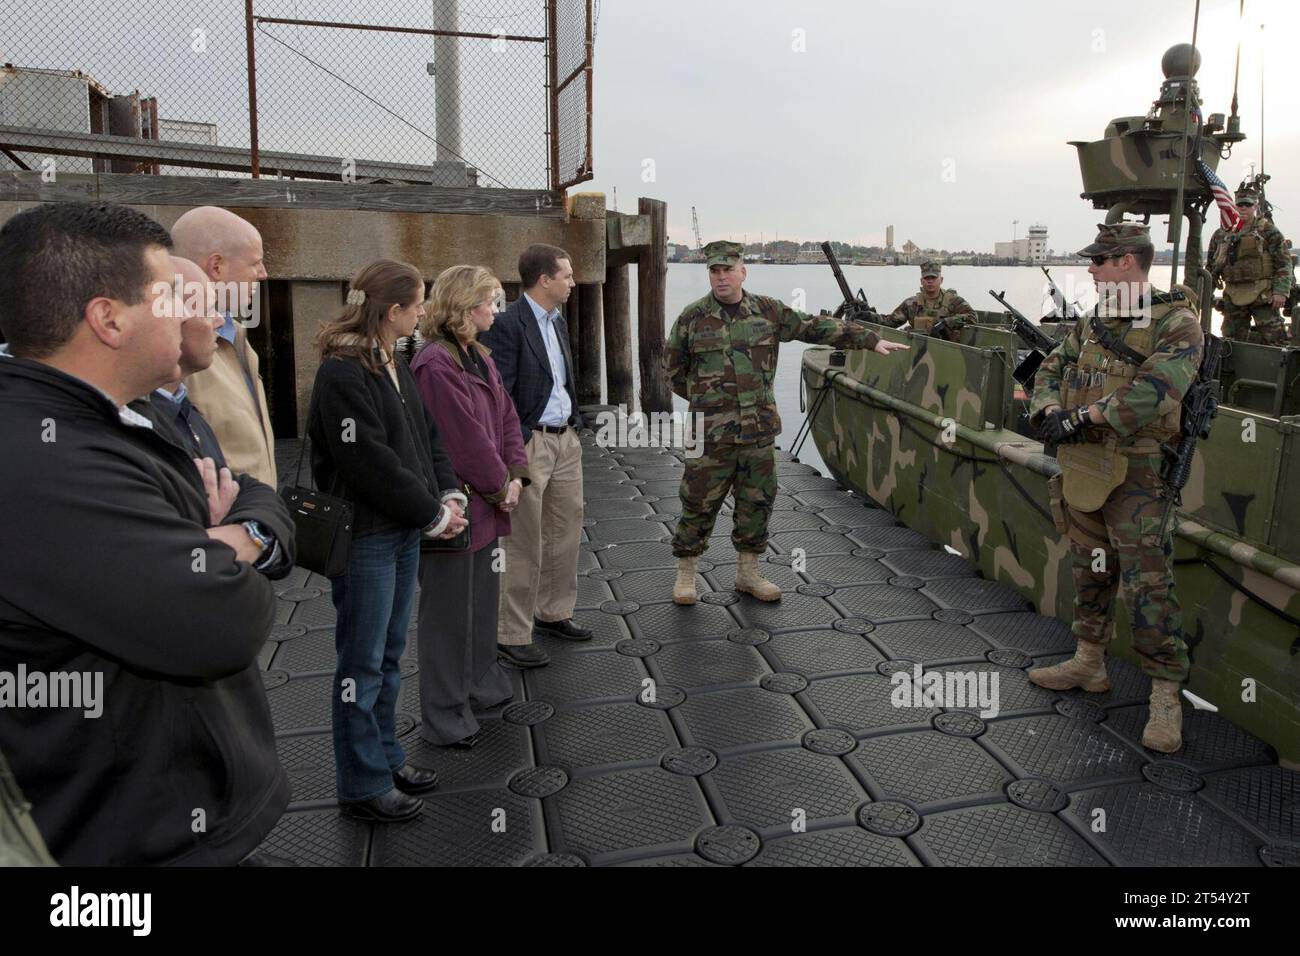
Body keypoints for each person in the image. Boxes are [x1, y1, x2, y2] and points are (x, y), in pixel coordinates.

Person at [0, 201, 288, 864]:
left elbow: (253, 496)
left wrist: (230, 539)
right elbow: (225, 618)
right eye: (168, 295)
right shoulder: (44, 464)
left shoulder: (125, 416)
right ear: (109, 318)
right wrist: (218, 547)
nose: (195, 311)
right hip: (126, 842)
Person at [1027, 223, 1203, 753]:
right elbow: (1052, 366)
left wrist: (1082, 417)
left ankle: (1166, 698)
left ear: (1127, 261)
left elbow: (1158, 389)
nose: (1091, 269)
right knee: (1090, 567)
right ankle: (1089, 663)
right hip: (1085, 468)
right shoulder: (1095, 319)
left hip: (1138, 472)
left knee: (1149, 584)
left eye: (1099, 260)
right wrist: (1049, 409)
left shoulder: (1178, 322)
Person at [663, 240, 910, 604]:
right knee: (697, 502)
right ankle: (686, 576)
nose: (721, 277)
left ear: (742, 271)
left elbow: (814, 327)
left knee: (757, 501)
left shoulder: (768, 311)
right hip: (711, 435)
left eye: (727, 269)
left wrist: (870, 340)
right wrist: (708, 403)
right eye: (714, 271)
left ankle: (748, 573)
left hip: (758, 433)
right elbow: (673, 373)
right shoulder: (691, 318)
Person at [309, 258, 467, 822]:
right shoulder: (343, 373)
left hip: (401, 532)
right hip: (369, 541)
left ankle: (386, 757)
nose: (424, 312)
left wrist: (449, 495)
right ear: (392, 311)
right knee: (361, 663)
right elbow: (367, 463)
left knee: (390, 656)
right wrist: (431, 514)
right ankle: (361, 783)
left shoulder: (392, 362)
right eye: (418, 303)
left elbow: (427, 439)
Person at [411, 265, 529, 747]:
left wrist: (516, 474)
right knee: (446, 617)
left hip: (488, 504)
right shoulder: (435, 365)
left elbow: (505, 417)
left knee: (481, 607)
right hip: (457, 508)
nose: (495, 310)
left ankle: (481, 683)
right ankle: (444, 714)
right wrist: (501, 484)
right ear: (464, 307)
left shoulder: (478, 355)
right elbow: (462, 439)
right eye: (490, 301)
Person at [132, 255, 293, 578]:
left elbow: (247, 485)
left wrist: (250, 530)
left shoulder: (183, 407)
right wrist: (225, 535)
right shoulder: (136, 423)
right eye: (208, 309)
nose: (219, 321)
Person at [479, 244, 591, 669]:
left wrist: (575, 422)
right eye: (566, 275)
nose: (573, 281)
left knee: (565, 529)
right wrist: (517, 445)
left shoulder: (557, 321)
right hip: (530, 442)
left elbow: (562, 380)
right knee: (522, 538)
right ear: (545, 280)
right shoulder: (506, 325)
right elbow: (499, 393)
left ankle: (554, 611)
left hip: (565, 440)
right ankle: (511, 633)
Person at [171, 206, 278, 485]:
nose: (263, 274)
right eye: (255, 262)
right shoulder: (177, 352)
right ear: (216, 266)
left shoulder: (237, 334)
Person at [1206, 186, 1292, 346]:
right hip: (1233, 295)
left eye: (1248, 204)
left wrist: (1281, 291)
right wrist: (1206, 295)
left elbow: (1284, 263)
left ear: (1255, 206)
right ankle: (1229, 371)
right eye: (1240, 204)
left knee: (1276, 340)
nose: (1243, 208)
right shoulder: (1222, 234)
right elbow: (1211, 267)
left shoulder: (1268, 231)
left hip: (1262, 296)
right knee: (1229, 342)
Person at [881, 259, 976, 341]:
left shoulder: (954, 301)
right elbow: (890, 322)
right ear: (921, 281)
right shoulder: (911, 303)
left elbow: (972, 317)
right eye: (926, 278)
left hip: (947, 351)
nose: (930, 281)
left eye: (933, 278)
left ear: (941, 280)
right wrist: (869, 316)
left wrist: (946, 323)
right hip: (918, 350)